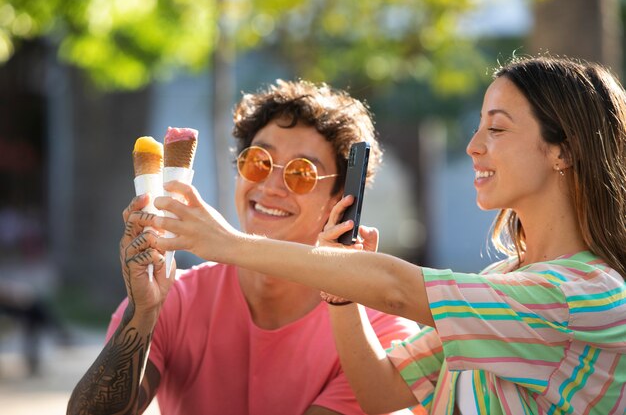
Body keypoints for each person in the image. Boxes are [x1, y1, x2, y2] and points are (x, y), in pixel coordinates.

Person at [149, 56, 626, 414]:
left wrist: (226, 243)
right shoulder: (505, 281)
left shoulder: (586, 296)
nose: (473, 146)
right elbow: (378, 391)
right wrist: (342, 296)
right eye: (478, 126)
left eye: (496, 129)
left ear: (563, 152)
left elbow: (398, 290)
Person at [67, 79, 420, 415]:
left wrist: (227, 244)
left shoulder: (375, 333)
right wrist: (142, 314)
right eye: (257, 162)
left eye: (300, 173)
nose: (270, 186)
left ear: (339, 202)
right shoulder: (173, 297)